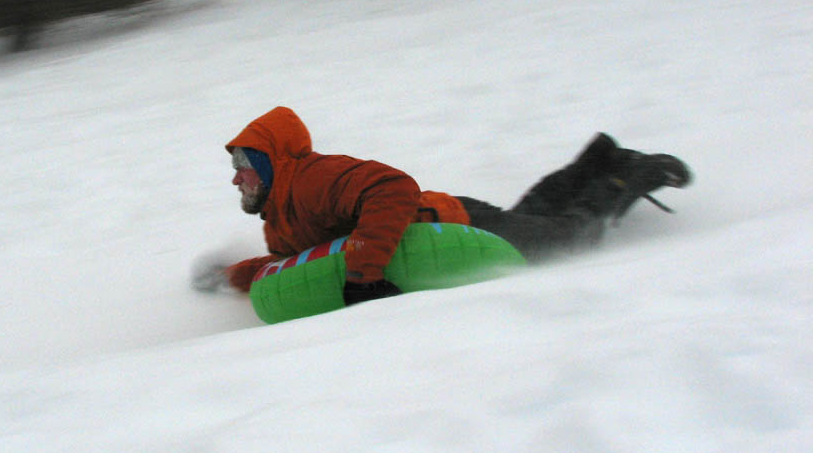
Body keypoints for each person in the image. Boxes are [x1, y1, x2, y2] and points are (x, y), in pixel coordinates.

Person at [194, 106, 691, 306]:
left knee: (569, 238)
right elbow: (294, 262)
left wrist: (364, 274)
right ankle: (599, 160)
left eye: (245, 163)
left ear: (274, 162)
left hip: (453, 222)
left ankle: (636, 172)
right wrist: (233, 276)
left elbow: (390, 188)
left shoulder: (313, 177)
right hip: (455, 218)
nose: (236, 176)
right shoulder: (282, 216)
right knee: (536, 214)